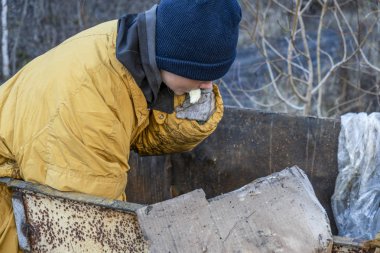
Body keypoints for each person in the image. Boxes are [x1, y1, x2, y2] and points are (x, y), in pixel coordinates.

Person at [0, 0, 241, 251]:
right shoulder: (87, 107)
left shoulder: (132, 52)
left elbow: (140, 131)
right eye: (200, 76)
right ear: (175, 58)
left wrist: (191, 116)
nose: (207, 86)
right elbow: (86, 233)